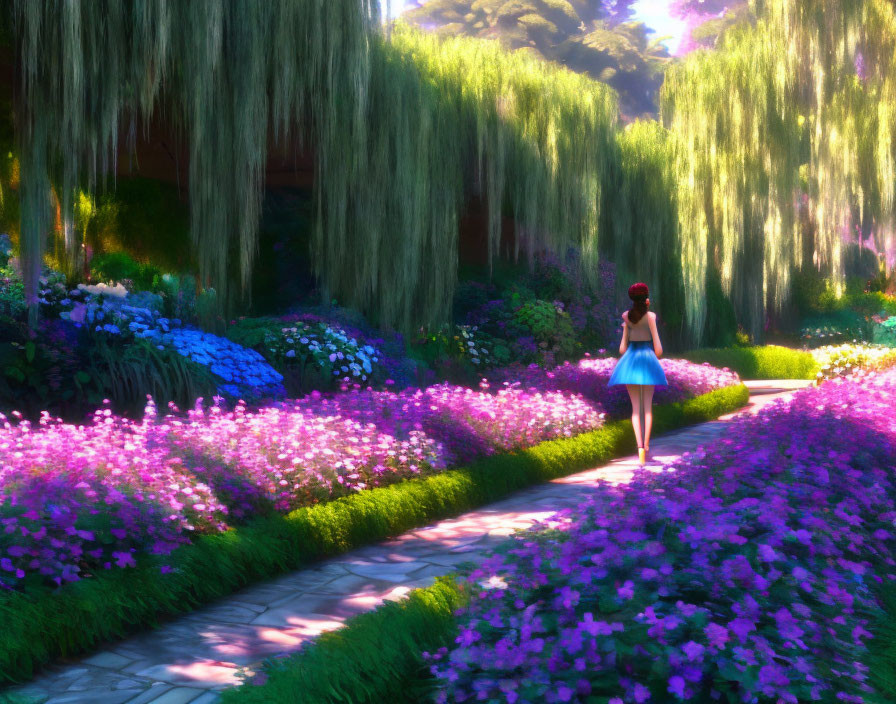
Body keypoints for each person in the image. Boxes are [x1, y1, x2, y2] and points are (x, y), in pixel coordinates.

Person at [608, 282, 667, 466]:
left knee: (635, 409)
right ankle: (647, 446)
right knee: (647, 408)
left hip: (631, 361)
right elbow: (658, 350)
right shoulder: (651, 316)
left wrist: (628, 328)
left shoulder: (626, 316)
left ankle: (639, 447)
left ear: (631, 298)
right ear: (646, 298)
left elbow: (622, 348)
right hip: (647, 360)